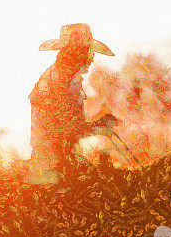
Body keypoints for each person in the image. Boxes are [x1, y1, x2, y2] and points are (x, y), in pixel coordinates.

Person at [27, 23, 118, 184]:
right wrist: (99, 126)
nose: (92, 57)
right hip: (52, 171)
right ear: (76, 53)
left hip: (61, 160)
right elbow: (69, 130)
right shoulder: (60, 81)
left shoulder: (63, 77)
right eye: (88, 51)